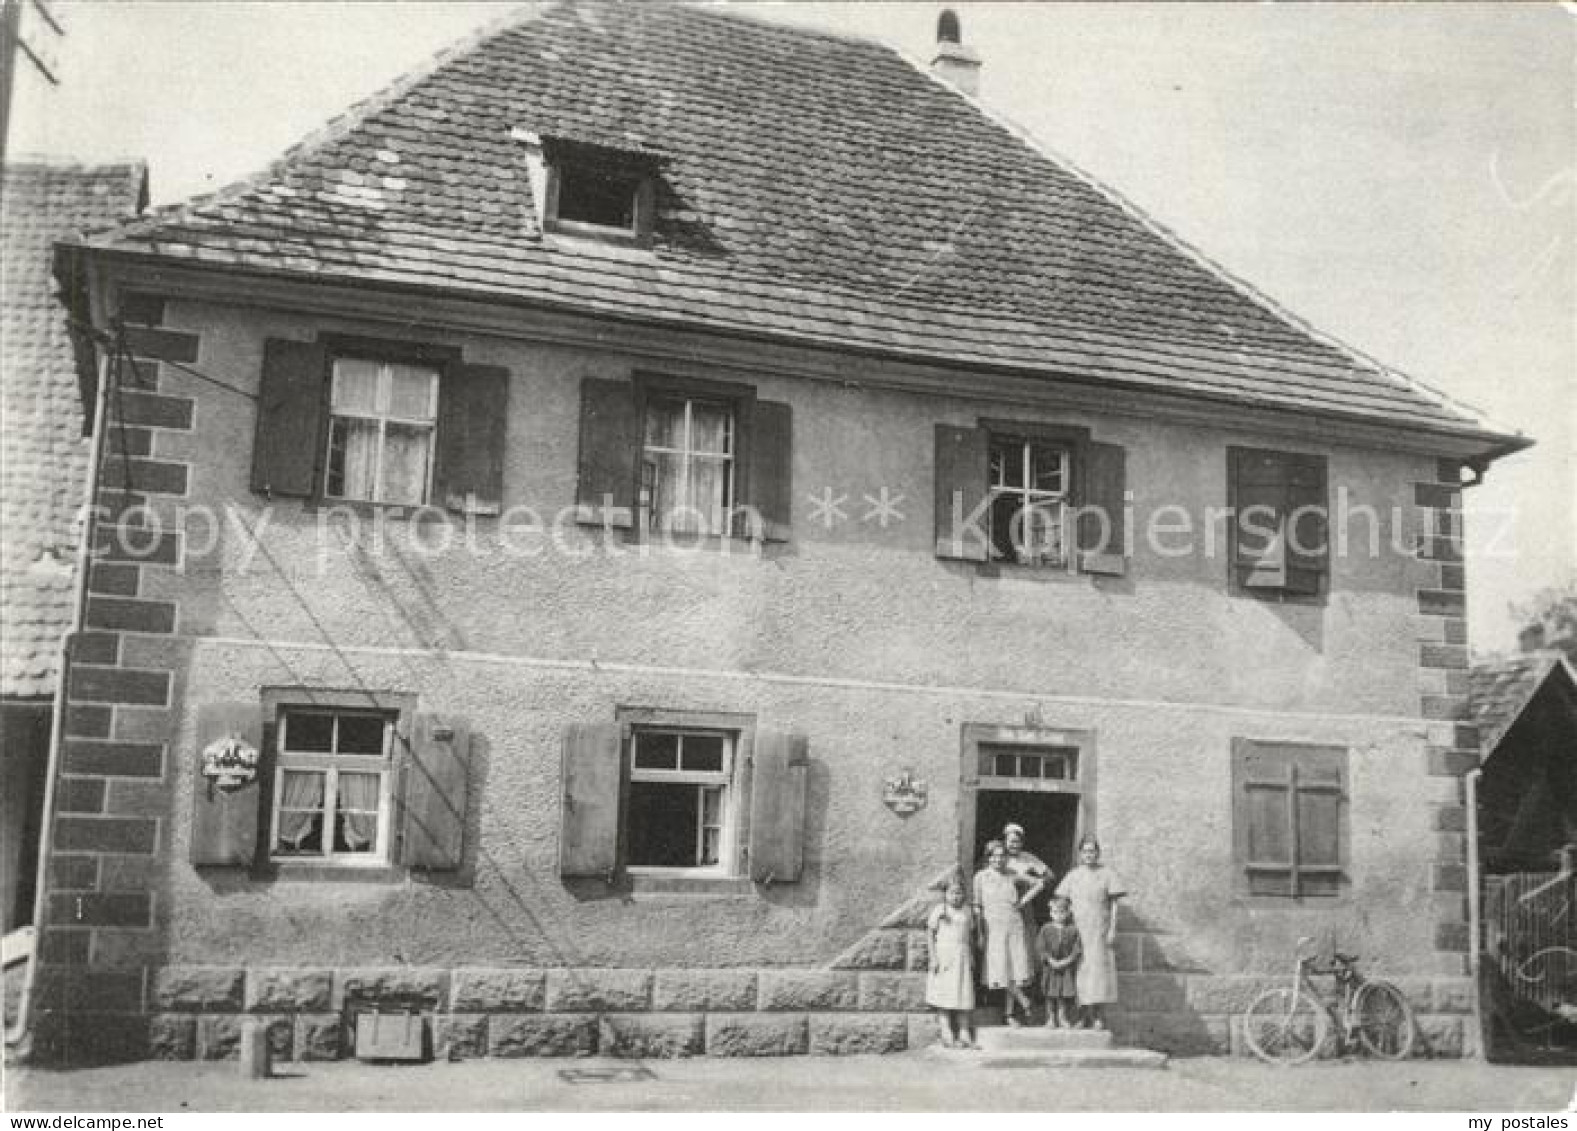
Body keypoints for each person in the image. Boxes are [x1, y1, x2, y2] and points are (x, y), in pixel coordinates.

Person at [1054, 834, 1127, 1030]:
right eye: (1085, 851)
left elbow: (1114, 904)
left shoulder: (1107, 874)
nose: (1089, 855)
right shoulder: (1073, 875)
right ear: (1080, 854)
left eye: (1092, 851)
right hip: (1078, 930)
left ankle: (1098, 1016)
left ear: (1098, 853)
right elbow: (1061, 901)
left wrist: (1112, 929)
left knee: (1099, 972)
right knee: (1081, 971)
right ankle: (1082, 1015)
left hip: (1099, 930)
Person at [973, 839, 1035, 1026]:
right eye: (994, 856)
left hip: (1013, 924)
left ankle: (1009, 1014)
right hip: (992, 926)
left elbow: (1039, 883)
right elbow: (977, 906)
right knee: (998, 967)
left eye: (1002, 856)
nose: (998, 859)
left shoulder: (1012, 874)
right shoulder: (981, 877)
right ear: (988, 857)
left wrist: (1022, 902)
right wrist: (980, 932)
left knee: (1013, 968)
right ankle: (1023, 999)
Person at [925, 875, 978, 1048]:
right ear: (945, 894)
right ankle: (946, 1030)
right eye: (952, 893)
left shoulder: (967, 911)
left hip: (962, 955)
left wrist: (971, 955)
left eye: (959, 893)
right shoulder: (940, 910)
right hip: (944, 955)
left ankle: (964, 1031)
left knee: (963, 992)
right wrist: (933, 957)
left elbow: (969, 935)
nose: (956, 896)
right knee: (945, 993)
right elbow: (930, 934)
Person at [1036, 895, 1082, 1028]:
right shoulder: (1046, 929)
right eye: (1055, 912)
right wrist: (1050, 960)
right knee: (1050, 993)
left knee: (1062, 994)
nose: (1058, 915)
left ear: (1068, 913)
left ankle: (1062, 1017)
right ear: (1051, 913)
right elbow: (1041, 947)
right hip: (1050, 967)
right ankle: (1050, 1018)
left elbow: (1077, 948)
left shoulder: (1072, 930)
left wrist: (1067, 961)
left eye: (1062, 912)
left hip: (1065, 967)